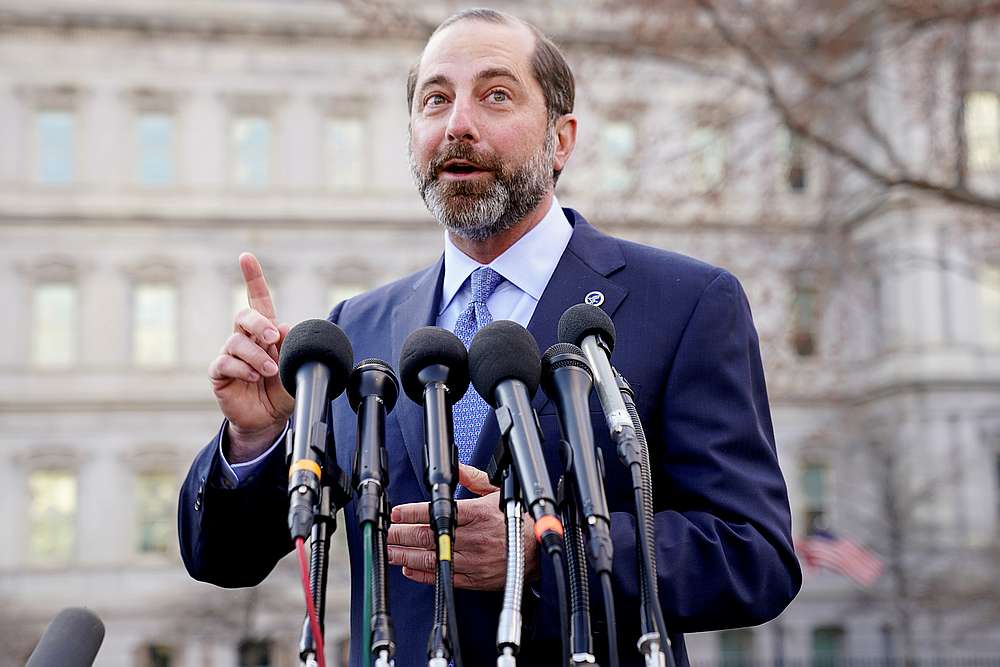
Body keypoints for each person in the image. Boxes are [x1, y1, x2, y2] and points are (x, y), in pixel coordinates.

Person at [178, 9, 801, 667]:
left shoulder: (684, 303)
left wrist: (540, 551)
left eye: (496, 95)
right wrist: (254, 439)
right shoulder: (355, 326)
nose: (459, 125)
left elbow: (751, 553)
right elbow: (224, 558)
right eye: (435, 101)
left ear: (561, 140)